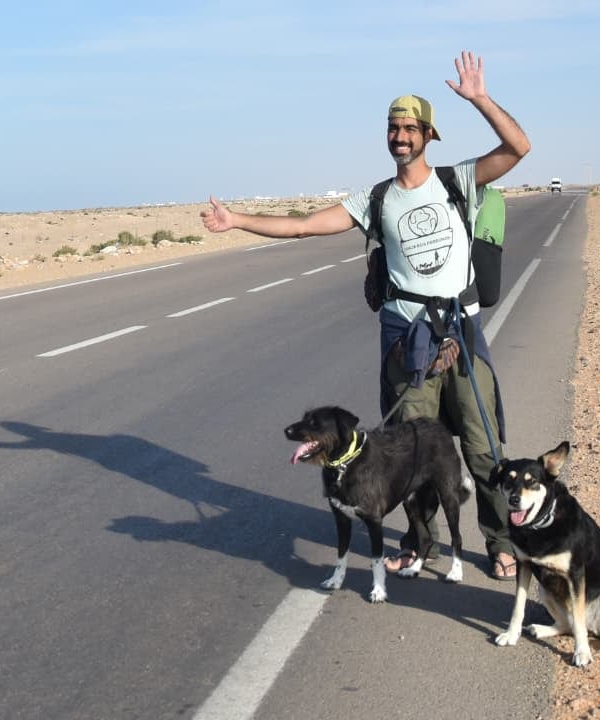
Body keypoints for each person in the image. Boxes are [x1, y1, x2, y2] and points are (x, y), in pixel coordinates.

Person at [200, 50, 530, 581]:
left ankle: (500, 542)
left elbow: (518, 147)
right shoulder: (374, 199)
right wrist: (237, 219)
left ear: (428, 135)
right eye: (393, 128)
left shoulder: (457, 180)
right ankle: (421, 544)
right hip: (407, 339)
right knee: (412, 449)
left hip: (461, 331)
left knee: (481, 446)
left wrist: (480, 99)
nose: (400, 136)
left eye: (410, 128)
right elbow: (304, 225)